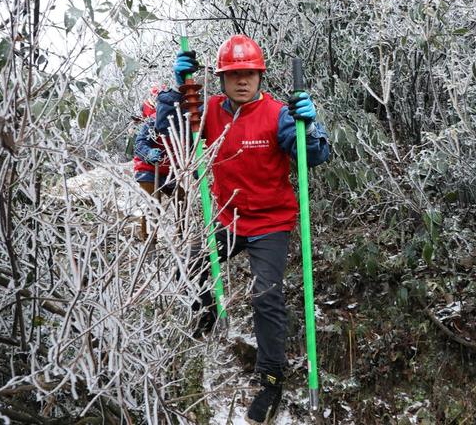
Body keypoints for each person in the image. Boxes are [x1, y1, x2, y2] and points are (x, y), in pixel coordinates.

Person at [156, 35, 330, 424]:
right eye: (234, 74)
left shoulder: (278, 113)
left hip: (271, 221)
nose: (242, 81)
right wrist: (176, 90)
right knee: (192, 261)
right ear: (222, 79)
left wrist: (311, 126)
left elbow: (314, 155)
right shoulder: (208, 110)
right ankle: (207, 321)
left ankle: (271, 379)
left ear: (259, 75)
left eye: (249, 73)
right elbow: (169, 135)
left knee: (265, 297)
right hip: (229, 218)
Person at [133, 85, 173, 241]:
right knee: (153, 203)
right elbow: (139, 144)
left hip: (167, 170)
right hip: (147, 169)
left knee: (181, 197)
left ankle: (182, 234)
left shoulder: (178, 120)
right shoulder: (152, 121)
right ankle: (148, 240)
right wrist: (148, 154)